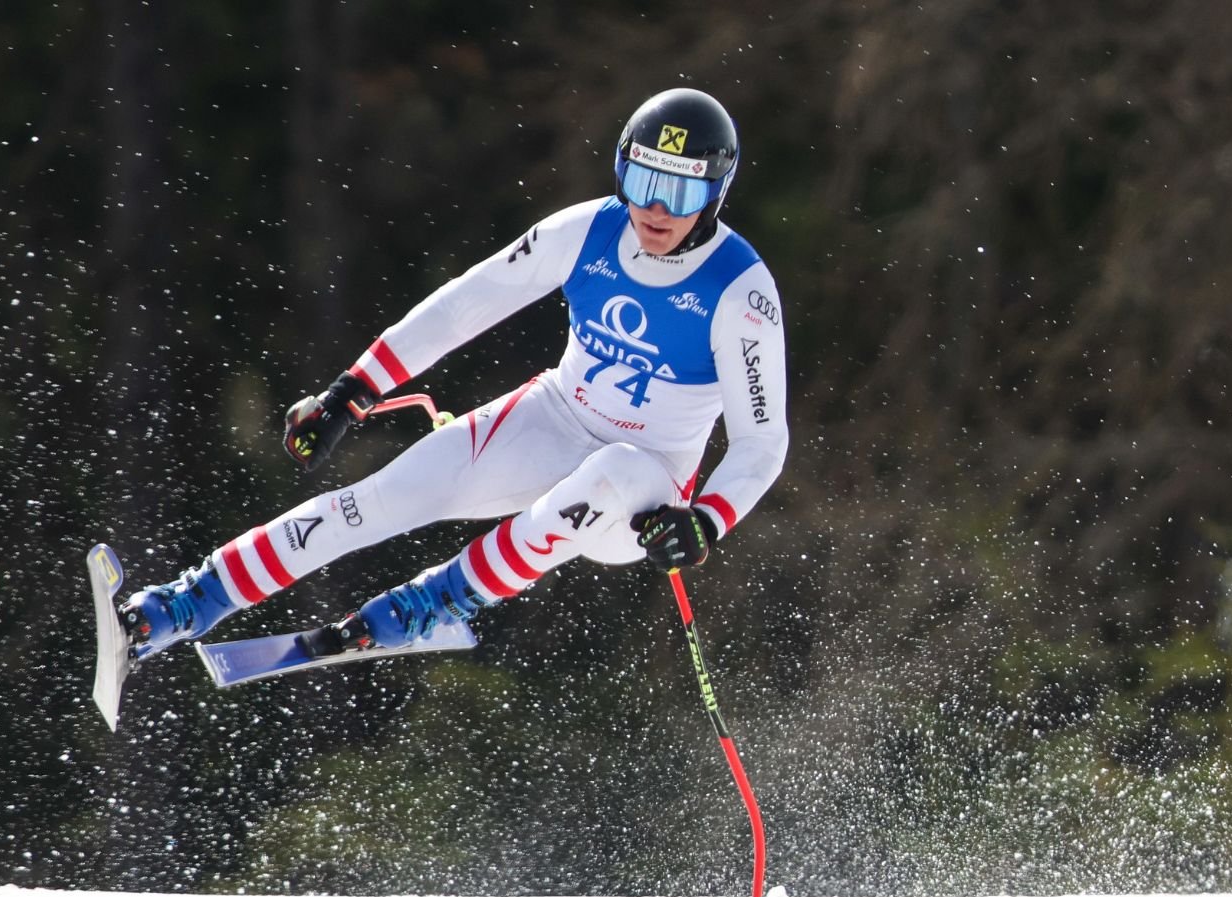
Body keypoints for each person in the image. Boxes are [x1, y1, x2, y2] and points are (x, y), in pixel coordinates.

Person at [120, 87, 788, 660]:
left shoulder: (740, 293)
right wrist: (351, 392)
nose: (657, 211)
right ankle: (178, 606)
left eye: (680, 191)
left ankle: (435, 602)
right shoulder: (587, 231)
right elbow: (467, 304)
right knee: (376, 500)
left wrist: (705, 521)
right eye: (644, 184)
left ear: (715, 192)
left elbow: (761, 441)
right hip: (552, 419)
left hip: (644, 487)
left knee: (609, 470)